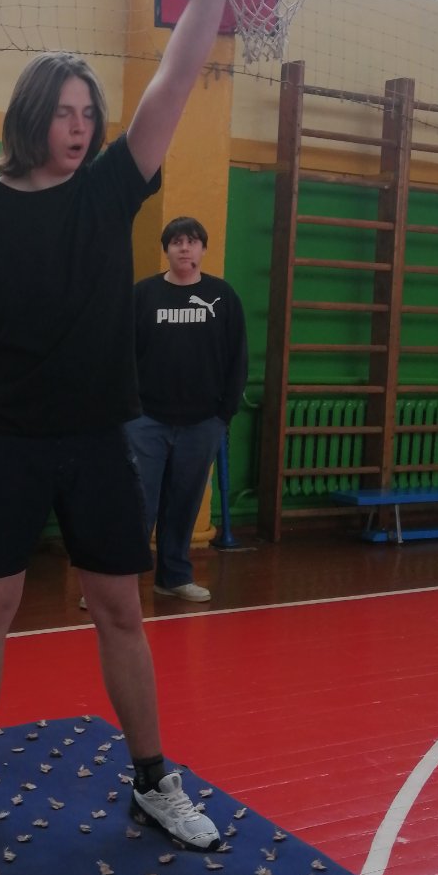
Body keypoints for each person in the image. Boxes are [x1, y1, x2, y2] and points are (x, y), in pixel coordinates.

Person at [0, 0, 247, 868]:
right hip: (10, 438)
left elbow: (177, 74)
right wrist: (8, 359)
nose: (80, 124)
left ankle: (152, 780)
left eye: (87, 111)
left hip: (101, 438)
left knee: (121, 610)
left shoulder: (109, 189)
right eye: (63, 112)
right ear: (30, 118)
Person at [125, 215, 247, 602]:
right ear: (166, 249)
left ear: (203, 249)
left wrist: (223, 415)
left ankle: (174, 576)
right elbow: (121, 355)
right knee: (137, 502)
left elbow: (238, 358)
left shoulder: (222, 296)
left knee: (184, 502)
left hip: (203, 422)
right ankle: (118, 585)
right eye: (177, 241)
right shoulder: (142, 295)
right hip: (146, 420)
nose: (184, 248)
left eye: (192, 241)